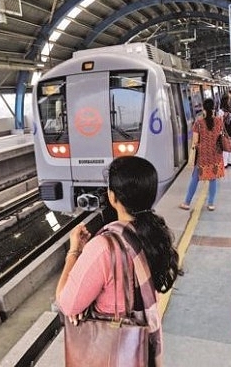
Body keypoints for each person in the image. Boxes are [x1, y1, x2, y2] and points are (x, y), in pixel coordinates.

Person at [56, 156, 181, 365]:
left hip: (114, 352)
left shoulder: (105, 247)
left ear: (112, 197)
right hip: (142, 349)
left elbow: (68, 304)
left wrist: (75, 252)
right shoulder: (154, 234)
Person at [179, 98, 225, 211]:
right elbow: (220, 135)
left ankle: (187, 203)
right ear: (213, 108)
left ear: (203, 108)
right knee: (213, 179)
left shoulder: (199, 123)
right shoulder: (219, 121)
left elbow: (195, 141)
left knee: (195, 178)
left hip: (202, 156)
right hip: (215, 155)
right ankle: (211, 204)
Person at [219, 93, 231, 168]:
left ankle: (225, 163)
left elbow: (220, 122)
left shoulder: (221, 111)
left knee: (225, 146)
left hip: (225, 130)